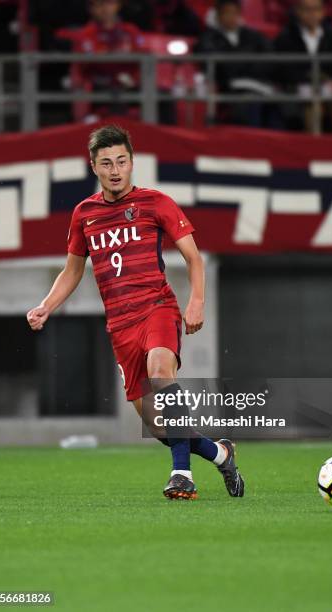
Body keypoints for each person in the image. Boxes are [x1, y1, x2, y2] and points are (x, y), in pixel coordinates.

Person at [26, 125, 245, 500]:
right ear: (93, 166)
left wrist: (195, 301)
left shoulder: (156, 202)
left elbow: (194, 257)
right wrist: (47, 305)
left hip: (157, 308)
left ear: (132, 163)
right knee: (159, 427)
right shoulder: (84, 214)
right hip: (120, 325)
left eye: (122, 161)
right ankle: (221, 453)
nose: (115, 170)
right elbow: (73, 270)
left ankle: (182, 476)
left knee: (162, 374)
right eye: (106, 163)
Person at [194, 0, 277, 128]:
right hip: (228, 91)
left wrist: (243, 67)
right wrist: (248, 62)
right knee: (249, 105)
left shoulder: (253, 36)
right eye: (227, 13)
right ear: (217, 16)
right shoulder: (208, 38)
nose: (231, 17)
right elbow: (221, 68)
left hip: (259, 86)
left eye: (235, 13)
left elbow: (270, 59)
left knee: (283, 105)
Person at [275, 0, 332, 134]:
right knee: (314, 107)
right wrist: (308, 83)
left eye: (316, 9)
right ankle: (314, 145)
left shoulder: (329, 36)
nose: (312, 14)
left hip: (325, 87)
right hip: (300, 90)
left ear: (323, 12)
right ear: (298, 12)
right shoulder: (286, 37)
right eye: (307, 10)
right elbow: (284, 71)